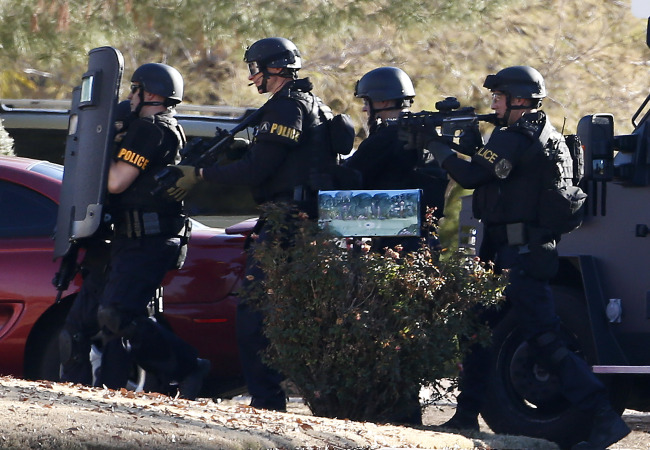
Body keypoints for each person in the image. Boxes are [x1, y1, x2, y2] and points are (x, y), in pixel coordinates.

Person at [422, 65, 630, 449]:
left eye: (498, 98)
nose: (493, 104)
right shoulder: (531, 133)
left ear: (518, 100)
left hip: (524, 254)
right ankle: (467, 412)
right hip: (512, 251)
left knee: (544, 338)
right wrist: (457, 138)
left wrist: (434, 145)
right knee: (478, 329)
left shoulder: (519, 136)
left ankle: (602, 415)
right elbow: (491, 160)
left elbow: (473, 177)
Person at [165, 37, 341, 411]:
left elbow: (259, 169)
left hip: (287, 224)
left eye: (255, 68)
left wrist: (201, 173)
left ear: (273, 68)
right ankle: (297, 400)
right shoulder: (309, 104)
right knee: (289, 317)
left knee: (253, 316)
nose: (253, 76)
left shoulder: (287, 107)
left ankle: (267, 400)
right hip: (303, 223)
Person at [61, 63, 209, 400]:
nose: (130, 97)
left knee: (117, 317)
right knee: (80, 325)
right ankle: (80, 397)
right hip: (126, 239)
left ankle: (188, 366)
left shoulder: (151, 130)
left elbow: (115, 181)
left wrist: (104, 144)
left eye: (134, 90)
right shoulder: (142, 127)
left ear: (151, 94)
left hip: (148, 240)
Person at [343, 66, 448, 254]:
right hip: (427, 242)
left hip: (394, 245)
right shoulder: (426, 134)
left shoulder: (386, 137)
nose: (365, 108)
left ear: (382, 102)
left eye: (368, 101)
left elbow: (349, 176)